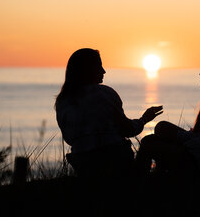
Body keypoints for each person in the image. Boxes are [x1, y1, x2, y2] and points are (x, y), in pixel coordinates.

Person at [55, 48, 163, 178]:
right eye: (99, 66)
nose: (103, 71)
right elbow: (128, 130)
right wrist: (144, 118)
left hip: (84, 168)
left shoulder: (62, 100)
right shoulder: (105, 94)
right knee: (149, 142)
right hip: (116, 163)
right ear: (88, 69)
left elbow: (70, 139)